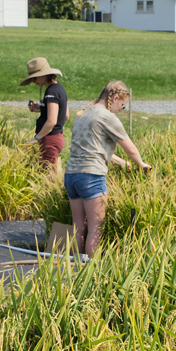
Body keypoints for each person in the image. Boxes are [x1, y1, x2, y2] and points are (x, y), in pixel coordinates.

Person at [65, 81, 152, 258]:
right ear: (114, 98)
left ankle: (72, 271)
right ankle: (92, 275)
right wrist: (141, 164)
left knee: (78, 227)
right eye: (122, 104)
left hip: (71, 175)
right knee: (96, 229)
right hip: (91, 177)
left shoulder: (84, 112)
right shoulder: (107, 117)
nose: (121, 109)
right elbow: (131, 149)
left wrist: (123, 164)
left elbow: (95, 149)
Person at [20, 57, 70, 169]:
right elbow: (65, 115)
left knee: (48, 177)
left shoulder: (51, 92)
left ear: (43, 75)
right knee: (53, 172)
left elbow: (52, 121)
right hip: (58, 138)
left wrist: (36, 138)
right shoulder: (59, 88)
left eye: (34, 78)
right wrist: (41, 108)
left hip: (50, 140)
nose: (33, 82)